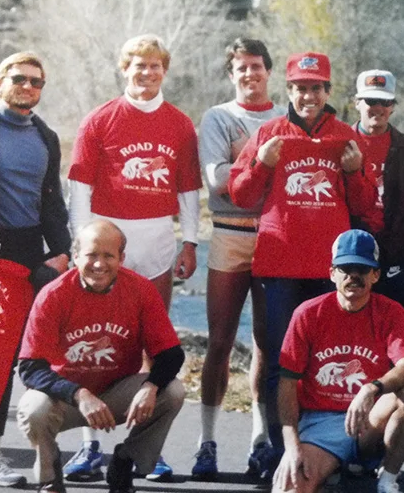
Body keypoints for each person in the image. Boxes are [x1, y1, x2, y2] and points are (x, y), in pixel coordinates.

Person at [228, 51, 380, 459]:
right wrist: (262, 164)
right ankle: (279, 451)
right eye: (300, 88)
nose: (308, 96)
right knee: (281, 362)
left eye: (316, 88)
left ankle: (323, 450)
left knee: (322, 363)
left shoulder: (346, 136)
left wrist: (354, 170)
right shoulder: (270, 133)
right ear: (289, 90)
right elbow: (240, 194)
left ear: (328, 91)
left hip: (328, 272)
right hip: (279, 267)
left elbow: (366, 206)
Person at [66, 34, 200, 481]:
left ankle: (144, 449)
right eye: (139, 65)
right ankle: (89, 447)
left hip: (157, 239)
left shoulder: (180, 124)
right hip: (107, 236)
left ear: (165, 70)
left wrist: (190, 241)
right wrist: (81, 243)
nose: (147, 73)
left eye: (155, 65)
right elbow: (80, 187)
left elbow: (187, 187)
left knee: (152, 346)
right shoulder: (100, 119)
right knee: (92, 342)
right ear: (125, 69)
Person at [0, 52, 71, 492]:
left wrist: (61, 252)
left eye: (36, 82)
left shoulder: (45, 135)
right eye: (19, 78)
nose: (28, 87)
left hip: (30, 256)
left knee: (11, 360)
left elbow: (51, 202)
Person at [16, 220, 186, 493]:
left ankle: (125, 460)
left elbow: (171, 354)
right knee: (33, 408)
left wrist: (150, 386)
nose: (99, 264)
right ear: (75, 257)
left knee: (173, 391)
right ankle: (50, 477)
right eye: (91, 255)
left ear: (122, 258)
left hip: (116, 393)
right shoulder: (53, 295)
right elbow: (30, 368)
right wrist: (79, 394)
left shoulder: (140, 289)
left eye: (108, 255)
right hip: (67, 399)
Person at [192, 38, 284, 480]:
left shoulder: (286, 117)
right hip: (229, 235)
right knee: (220, 341)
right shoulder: (219, 117)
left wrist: (243, 168)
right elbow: (216, 179)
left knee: (267, 344)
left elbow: (293, 180)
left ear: (269, 71)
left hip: (274, 236)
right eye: (241, 67)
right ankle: (206, 442)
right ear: (232, 74)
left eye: (256, 66)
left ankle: (260, 441)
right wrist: (263, 164)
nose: (250, 74)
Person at [271, 229, 404, 493]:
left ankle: (387, 479)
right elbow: (287, 385)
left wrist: (370, 389)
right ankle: (335, 468)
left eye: (362, 269)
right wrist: (292, 447)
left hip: (369, 421)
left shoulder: (390, 312)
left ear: (375, 275)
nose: (354, 276)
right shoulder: (308, 314)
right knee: (289, 489)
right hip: (320, 426)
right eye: (346, 269)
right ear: (332, 273)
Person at [350, 69, 404, 313]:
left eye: (385, 102)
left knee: (393, 325)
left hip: (392, 256)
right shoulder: (341, 143)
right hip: (349, 254)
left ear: (392, 106)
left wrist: (401, 254)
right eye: (371, 100)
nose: (378, 108)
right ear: (357, 103)